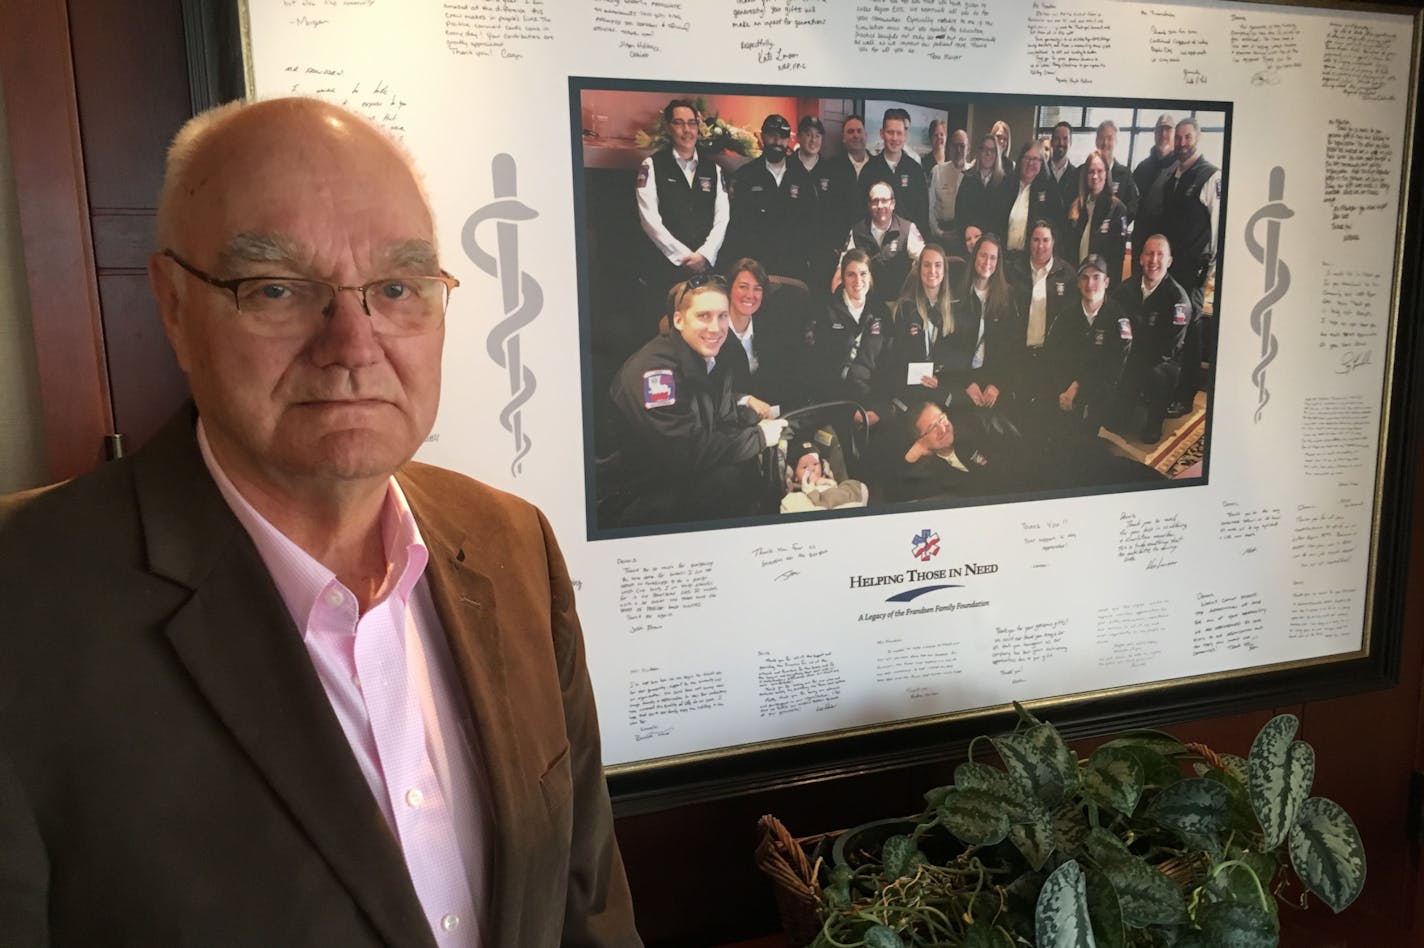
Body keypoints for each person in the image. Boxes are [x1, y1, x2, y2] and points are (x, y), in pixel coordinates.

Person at [0, 96, 640, 946]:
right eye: (275, 287)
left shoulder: (512, 544)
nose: (352, 342)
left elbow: (587, 911)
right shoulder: (25, 602)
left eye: (398, 287)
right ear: (174, 306)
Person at [608, 275, 786, 524]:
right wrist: (758, 438)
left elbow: (715, 415)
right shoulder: (654, 374)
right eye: (704, 316)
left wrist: (746, 411)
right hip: (644, 494)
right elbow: (686, 451)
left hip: (680, 476)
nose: (716, 328)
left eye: (722, 316)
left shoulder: (711, 355)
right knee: (730, 482)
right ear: (679, 320)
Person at [635, 98, 729, 333]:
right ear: (668, 127)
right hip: (665, 269)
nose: (686, 130)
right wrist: (684, 256)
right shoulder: (652, 166)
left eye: (691, 123)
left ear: (698, 127)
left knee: (702, 329)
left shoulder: (714, 170)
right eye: (679, 123)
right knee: (667, 330)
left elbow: (722, 218)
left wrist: (705, 255)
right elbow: (650, 220)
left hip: (704, 268)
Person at [1112, 235, 1193, 443]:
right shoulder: (1124, 290)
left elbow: (1170, 348)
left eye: (1160, 255)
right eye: (1149, 253)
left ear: (1169, 261)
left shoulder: (1178, 300)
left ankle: (1154, 422)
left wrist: (1135, 363)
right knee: (1116, 423)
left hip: (1160, 361)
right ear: (1140, 259)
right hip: (1131, 356)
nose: (1153, 260)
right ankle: (1123, 408)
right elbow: (1115, 327)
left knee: (1159, 375)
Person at [1045, 253, 1133, 437]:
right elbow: (1053, 356)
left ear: (1107, 282)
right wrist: (1063, 389)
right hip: (1066, 387)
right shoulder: (1066, 314)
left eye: (1096, 277)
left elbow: (1112, 368)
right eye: (1084, 278)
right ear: (1077, 283)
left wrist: (1079, 388)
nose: (1089, 284)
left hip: (1098, 390)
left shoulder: (1119, 318)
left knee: (1086, 439)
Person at [807, 249, 894, 424]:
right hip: (836, 403)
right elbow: (819, 368)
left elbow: (889, 363)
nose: (858, 281)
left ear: (870, 276)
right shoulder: (826, 310)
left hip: (873, 403)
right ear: (843, 278)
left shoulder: (881, 311)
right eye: (851, 275)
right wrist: (847, 412)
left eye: (863, 274)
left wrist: (880, 409)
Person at [726, 113, 815, 283]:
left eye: (782, 137)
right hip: (757, 267)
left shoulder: (801, 175)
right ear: (762, 137)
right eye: (772, 136)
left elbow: (811, 221)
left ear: (789, 140)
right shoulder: (746, 175)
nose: (777, 142)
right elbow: (738, 225)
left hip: (793, 266)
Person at [887, 244, 971, 413]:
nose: (932, 270)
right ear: (919, 270)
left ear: (944, 271)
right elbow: (897, 356)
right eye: (926, 265)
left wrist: (939, 378)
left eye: (938, 265)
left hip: (943, 386)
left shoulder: (957, 309)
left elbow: (962, 356)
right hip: (911, 389)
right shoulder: (905, 308)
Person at [717, 257, 808, 413]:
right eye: (743, 287)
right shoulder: (715, 332)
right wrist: (746, 400)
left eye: (757, 288)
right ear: (729, 289)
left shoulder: (771, 325)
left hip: (769, 412)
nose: (750, 295)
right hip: (728, 414)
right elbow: (712, 391)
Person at [1007, 221, 1076, 406]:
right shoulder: (1014, 270)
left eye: (1045, 240)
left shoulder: (1067, 274)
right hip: (1020, 355)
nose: (1040, 246)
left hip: (1050, 359)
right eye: (1036, 239)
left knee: (1046, 413)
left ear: (1053, 242)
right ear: (1029, 242)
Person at [958, 232, 1025, 412]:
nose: (988, 262)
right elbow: (951, 343)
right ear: (975, 256)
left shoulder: (1007, 296)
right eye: (983, 255)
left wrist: (997, 384)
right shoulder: (959, 292)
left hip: (993, 380)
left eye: (993, 258)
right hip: (962, 378)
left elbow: (1012, 346)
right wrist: (966, 382)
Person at [878, 401, 996, 503]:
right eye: (932, 427)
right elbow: (892, 494)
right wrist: (912, 455)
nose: (943, 429)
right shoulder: (928, 469)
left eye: (941, 419)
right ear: (920, 439)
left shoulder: (972, 432)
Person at [842, 180, 924, 297]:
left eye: (884, 201)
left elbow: (925, 260)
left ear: (893, 204)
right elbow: (843, 266)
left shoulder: (907, 229)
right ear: (869, 205)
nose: (880, 206)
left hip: (899, 302)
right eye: (875, 201)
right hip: (867, 304)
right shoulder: (857, 232)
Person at [860, 108, 929, 234]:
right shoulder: (869, 169)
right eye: (890, 132)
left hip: (909, 241)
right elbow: (861, 210)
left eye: (899, 133)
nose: (895, 138)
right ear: (882, 133)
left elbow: (923, 212)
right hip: (876, 240)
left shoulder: (915, 170)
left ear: (905, 135)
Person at [796, 115, 843, 292]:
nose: (813, 140)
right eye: (808, 134)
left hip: (822, 250)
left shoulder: (830, 170)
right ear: (799, 137)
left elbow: (837, 212)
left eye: (817, 136)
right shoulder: (788, 167)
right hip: (794, 249)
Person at [1065, 150, 1130, 273]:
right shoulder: (1077, 206)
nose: (1095, 176)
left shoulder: (1117, 209)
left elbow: (1117, 258)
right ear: (1085, 175)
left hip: (1101, 281)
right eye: (1091, 172)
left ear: (1106, 174)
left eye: (1100, 171)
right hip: (1077, 275)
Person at [1002, 141, 1065, 261]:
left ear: (1042, 163)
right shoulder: (1007, 186)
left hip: (1032, 259)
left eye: (1036, 159)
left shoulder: (1049, 191)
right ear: (1020, 160)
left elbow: (1057, 227)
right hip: (1004, 257)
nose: (1031, 163)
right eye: (1027, 158)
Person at [956, 134, 1011, 241]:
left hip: (994, 243)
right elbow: (960, 215)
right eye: (984, 149)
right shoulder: (968, 178)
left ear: (998, 154)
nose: (988, 153)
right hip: (970, 242)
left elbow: (1004, 219)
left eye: (992, 150)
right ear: (979, 152)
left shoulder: (1005, 182)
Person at [927, 128, 971, 247]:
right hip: (941, 234)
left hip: (965, 236)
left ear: (968, 149)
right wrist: (938, 233)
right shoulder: (937, 171)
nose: (958, 150)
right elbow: (930, 207)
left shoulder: (973, 174)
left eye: (962, 146)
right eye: (954, 146)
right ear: (949, 148)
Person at [1093, 119, 1140, 220]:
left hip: (1114, 234)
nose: (1105, 143)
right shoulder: (1083, 171)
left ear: (1116, 142)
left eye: (1110, 138)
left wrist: (1118, 226)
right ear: (1096, 141)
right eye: (1101, 138)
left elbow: (1133, 207)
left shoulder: (1125, 175)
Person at [1132, 113, 1177, 204]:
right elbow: (1132, 200)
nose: (1163, 134)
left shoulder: (1182, 168)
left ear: (1175, 135)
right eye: (1159, 130)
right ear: (1154, 134)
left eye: (1168, 130)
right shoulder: (1142, 168)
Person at [1047, 121, 1077, 204]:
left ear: (1070, 142)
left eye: (1065, 138)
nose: (1061, 143)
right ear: (1051, 142)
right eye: (1057, 138)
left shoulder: (1077, 175)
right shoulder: (1040, 171)